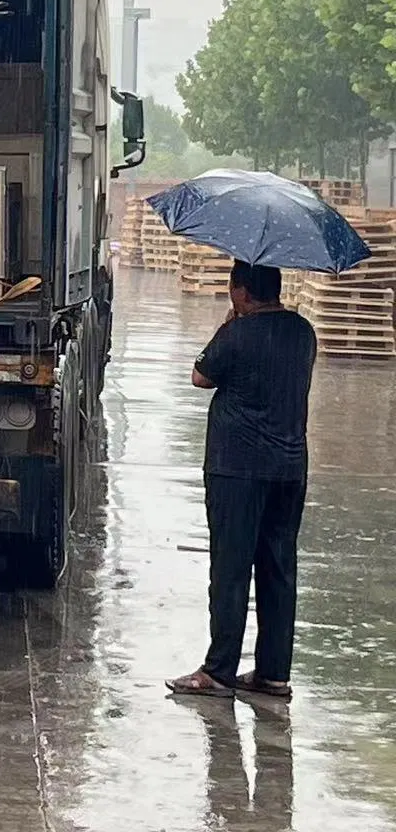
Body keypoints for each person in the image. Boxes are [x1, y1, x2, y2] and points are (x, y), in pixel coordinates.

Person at [167, 261, 317, 700]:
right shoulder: (303, 332)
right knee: (278, 568)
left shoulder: (237, 334)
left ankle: (218, 670)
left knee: (231, 569)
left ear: (241, 292)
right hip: (289, 469)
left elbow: (200, 376)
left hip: (238, 469)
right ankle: (273, 673)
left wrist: (227, 324)